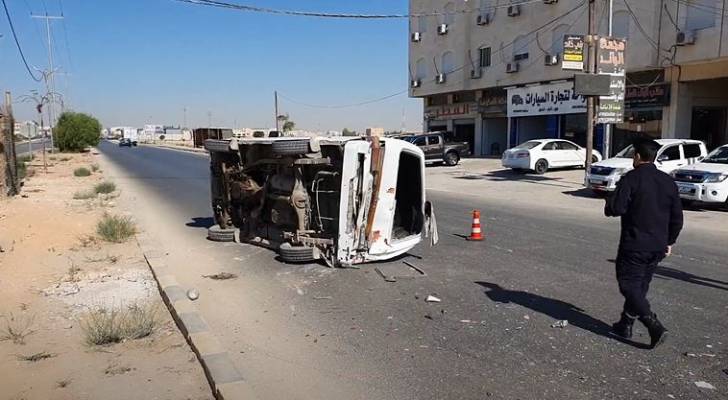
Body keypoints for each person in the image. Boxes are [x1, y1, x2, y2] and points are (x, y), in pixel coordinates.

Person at [604, 138, 684, 349]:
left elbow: (617, 208)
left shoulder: (632, 178)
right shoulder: (667, 181)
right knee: (640, 287)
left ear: (637, 156)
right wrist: (670, 241)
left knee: (629, 285)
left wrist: (609, 198)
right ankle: (625, 324)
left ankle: (653, 325)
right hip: (658, 245)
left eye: (633, 155)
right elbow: (677, 217)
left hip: (635, 244)